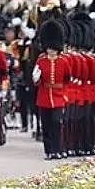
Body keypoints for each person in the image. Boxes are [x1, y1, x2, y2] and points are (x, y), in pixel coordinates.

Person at [33, 20, 70, 160]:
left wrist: (65, 94)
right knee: (46, 126)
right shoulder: (41, 61)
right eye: (49, 47)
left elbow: (67, 79)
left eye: (53, 47)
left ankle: (58, 149)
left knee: (57, 124)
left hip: (59, 97)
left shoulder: (63, 61)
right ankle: (49, 151)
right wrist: (36, 78)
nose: (51, 50)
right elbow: (37, 81)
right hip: (44, 97)